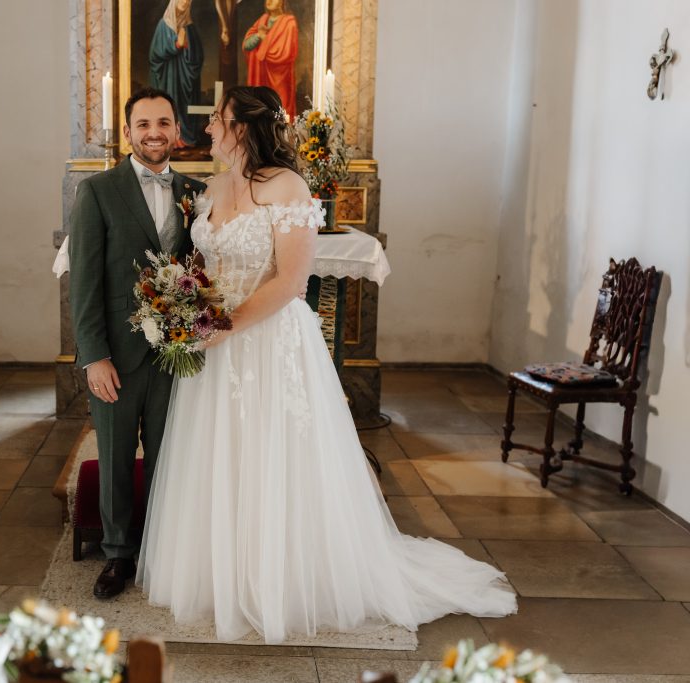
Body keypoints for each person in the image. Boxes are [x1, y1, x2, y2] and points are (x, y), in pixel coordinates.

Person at [136, 85, 517, 643]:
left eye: (218, 119)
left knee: (274, 453)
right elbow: (203, 266)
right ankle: (224, 571)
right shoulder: (212, 188)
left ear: (244, 127)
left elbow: (290, 282)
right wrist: (184, 308)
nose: (209, 127)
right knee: (222, 452)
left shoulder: (288, 186)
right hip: (214, 350)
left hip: (267, 341)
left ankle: (284, 576)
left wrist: (220, 327)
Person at [69, 87, 207, 599]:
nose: (154, 133)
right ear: (128, 132)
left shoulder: (197, 193)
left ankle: (164, 546)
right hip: (118, 356)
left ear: (177, 131)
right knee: (116, 456)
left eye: (163, 123)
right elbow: (84, 283)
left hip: (178, 352)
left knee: (172, 455)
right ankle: (117, 553)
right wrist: (94, 357)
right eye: (144, 124)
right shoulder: (98, 192)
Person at [149, 0, 204, 147]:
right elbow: (154, 55)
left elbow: (198, 57)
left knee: (183, 106)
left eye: (188, 0)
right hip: (167, 78)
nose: (185, 2)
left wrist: (187, 48)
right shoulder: (163, 25)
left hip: (185, 79)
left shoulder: (190, 28)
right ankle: (168, 137)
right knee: (168, 104)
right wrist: (176, 45)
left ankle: (184, 138)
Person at [243, 0, 298, 118]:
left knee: (280, 113)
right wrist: (258, 36)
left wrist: (264, 41)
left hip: (280, 78)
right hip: (261, 76)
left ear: (282, 2)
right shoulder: (262, 20)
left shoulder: (289, 23)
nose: (269, 1)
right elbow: (246, 45)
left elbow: (285, 53)